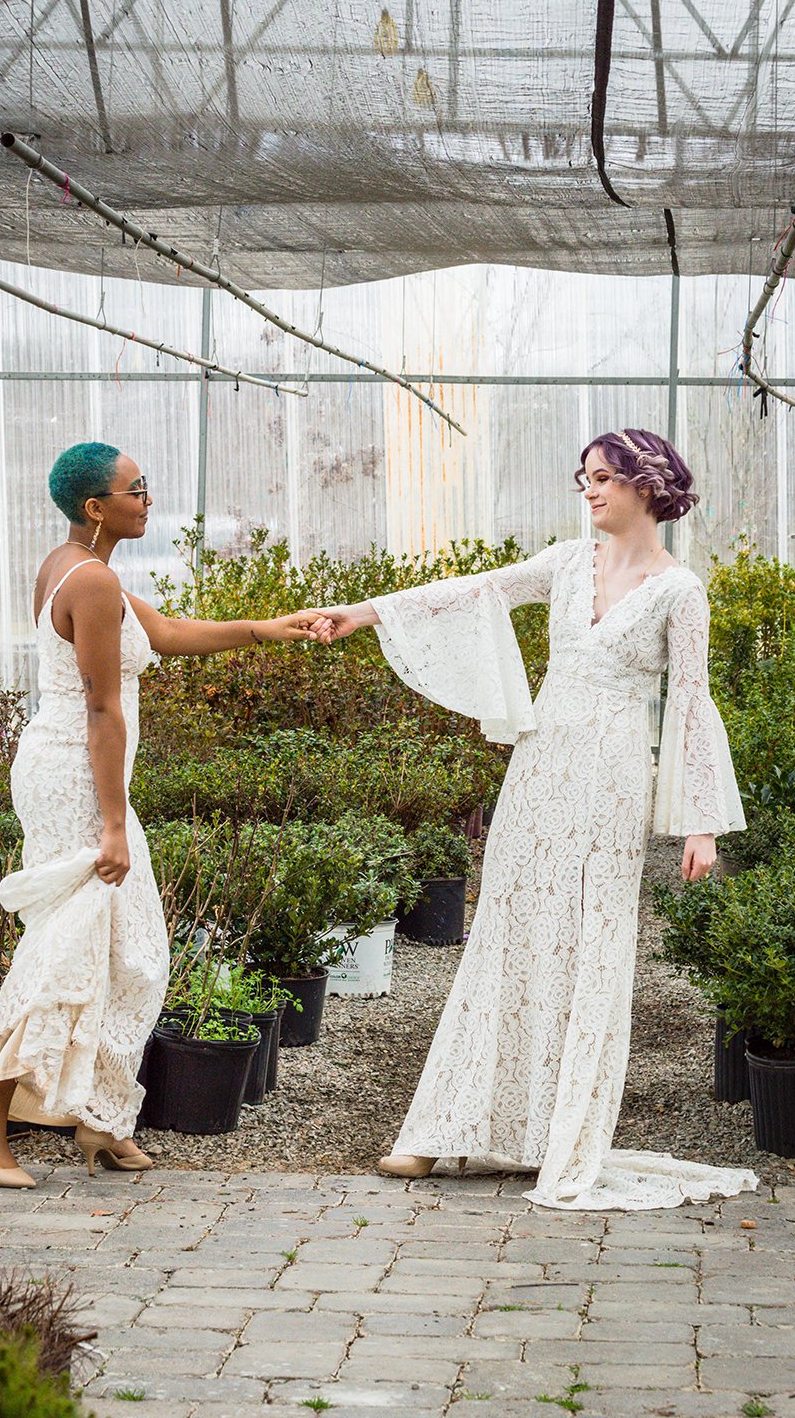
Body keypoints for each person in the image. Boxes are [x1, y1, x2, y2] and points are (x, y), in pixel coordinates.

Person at [312, 429, 758, 1212]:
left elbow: (691, 702)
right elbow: (474, 590)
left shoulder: (680, 591)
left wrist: (702, 824)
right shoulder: (563, 562)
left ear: (646, 486)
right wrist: (365, 612)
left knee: (588, 944)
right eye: (583, 478)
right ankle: (440, 1129)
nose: (588, 492)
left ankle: (561, 1139)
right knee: (506, 936)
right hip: (541, 766)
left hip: (612, 778)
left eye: (602, 479)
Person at [0, 442, 323, 1189]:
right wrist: (115, 826)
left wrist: (268, 627)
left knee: (135, 945)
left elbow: (166, 634)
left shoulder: (84, 568)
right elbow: (102, 707)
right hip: (78, 780)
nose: (148, 498)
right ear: (97, 507)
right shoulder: (88, 582)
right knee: (71, 945)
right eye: (137, 488)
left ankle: (102, 1117)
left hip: (76, 774)